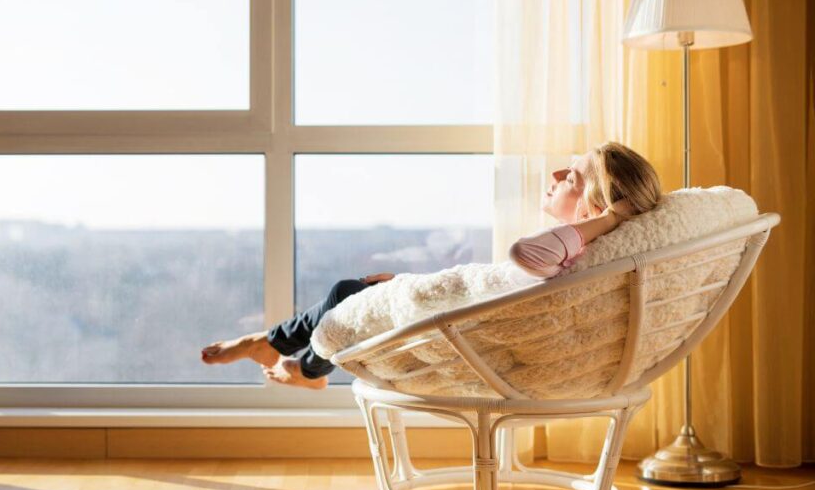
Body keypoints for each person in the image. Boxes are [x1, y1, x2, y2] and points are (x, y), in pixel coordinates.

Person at [200, 141, 663, 390]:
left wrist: (605, 220)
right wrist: (406, 283)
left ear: (594, 208)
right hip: (463, 317)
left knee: (345, 297)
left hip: (465, 338)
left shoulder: (575, 248)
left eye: (573, 176)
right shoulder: (584, 251)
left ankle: (303, 368)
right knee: (354, 289)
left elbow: (526, 256)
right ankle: (272, 344)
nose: (558, 175)